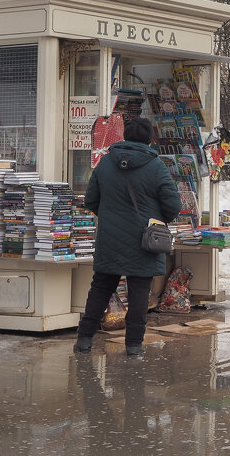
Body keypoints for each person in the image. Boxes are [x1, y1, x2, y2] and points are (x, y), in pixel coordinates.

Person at [75, 116, 182, 357]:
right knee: (138, 294)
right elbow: (173, 206)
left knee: (100, 289)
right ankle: (133, 346)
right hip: (144, 241)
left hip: (110, 239)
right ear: (149, 139)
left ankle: (84, 340)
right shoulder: (156, 166)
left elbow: (91, 200)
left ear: (125, 136)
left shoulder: (105, 163)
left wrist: (112, 217)